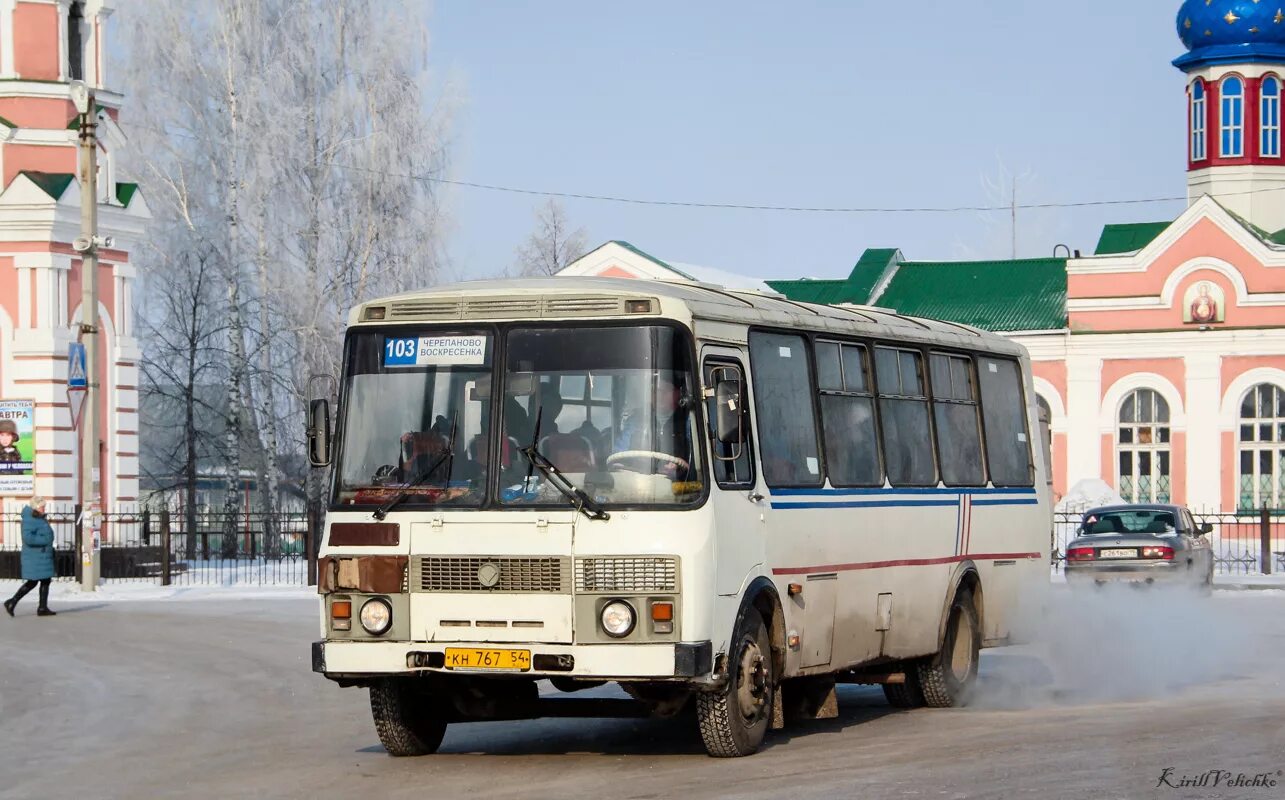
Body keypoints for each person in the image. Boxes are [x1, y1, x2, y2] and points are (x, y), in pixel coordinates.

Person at [4, 496, 57, 617]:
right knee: (32, 582)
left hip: (42, 556)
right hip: (35, 556)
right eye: (42, 506)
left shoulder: (39, 518)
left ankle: (42, 608)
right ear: (36, 507)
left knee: (45, 580)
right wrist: (45, 540)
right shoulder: (29, 519)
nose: (44, 508)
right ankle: (12, 602)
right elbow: (28, 538)